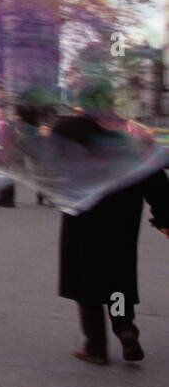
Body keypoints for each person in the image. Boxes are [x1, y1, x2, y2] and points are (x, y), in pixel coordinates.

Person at [51, 90, 169, 364]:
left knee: (87, 282)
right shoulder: (131, 139)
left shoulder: (71, 129)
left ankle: (95, 346)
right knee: (117, 280)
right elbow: (156, 183)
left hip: (83, 222)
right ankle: (125, 329)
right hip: (122, 226)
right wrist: (164, 217)